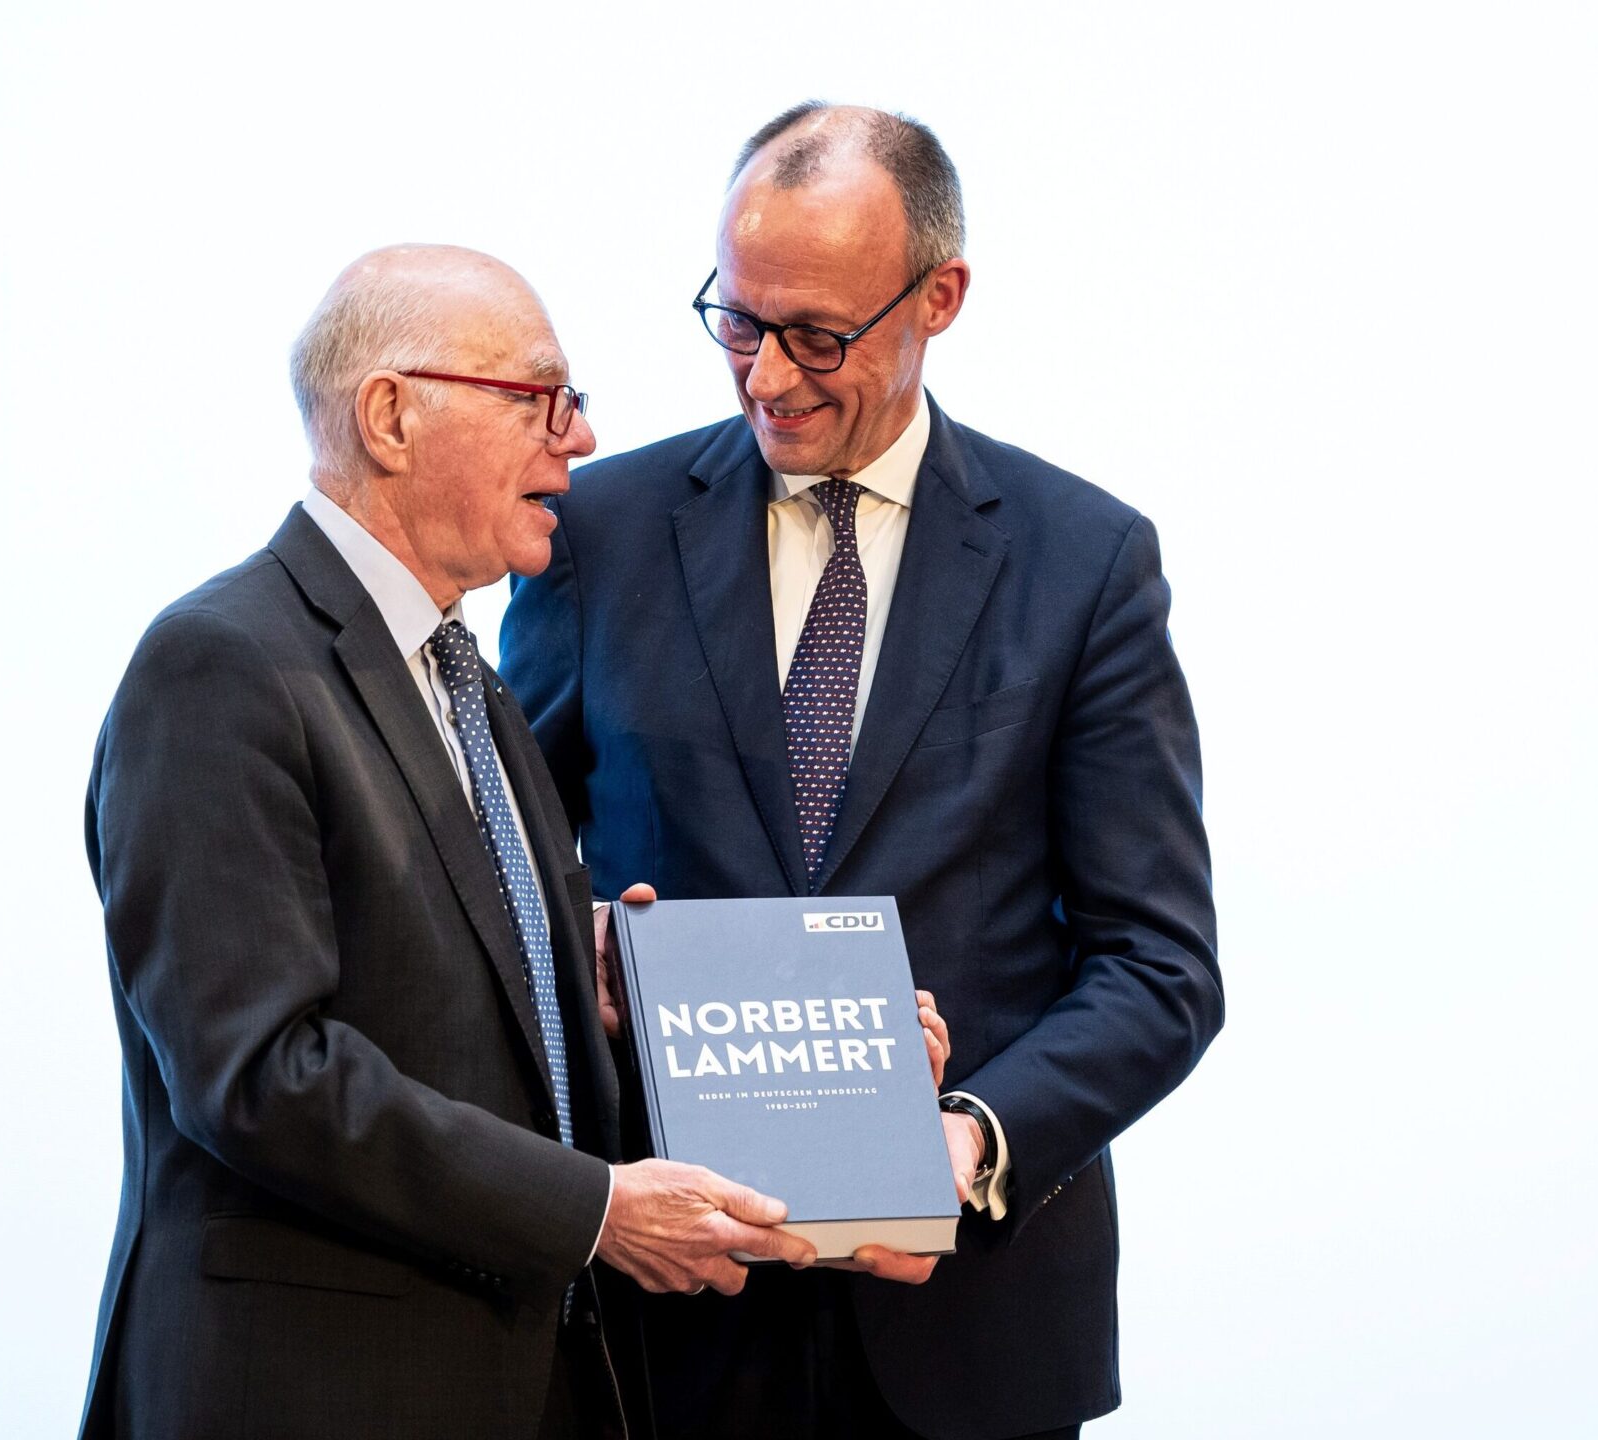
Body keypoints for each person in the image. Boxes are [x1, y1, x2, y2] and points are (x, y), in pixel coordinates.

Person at [501, 105, 1224, 1440]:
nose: (767, 376)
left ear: (940, 297)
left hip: (969, 1342)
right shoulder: (595, 536)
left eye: (818, 335)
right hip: (662, 1332)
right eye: (735, 321)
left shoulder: (1086, 563)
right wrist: (591, 946)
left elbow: (1161, 968)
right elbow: (501, 888)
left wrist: (970, 1141)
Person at [77, 244, 827, 1440]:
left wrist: (801, 1042)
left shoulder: (468, 680)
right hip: (316, 1394)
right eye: (540, 397)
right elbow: (260, 1076)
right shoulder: (220, 665)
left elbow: (467, 1014)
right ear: (389, 417)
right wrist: (594, 1213)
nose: (577, 440)